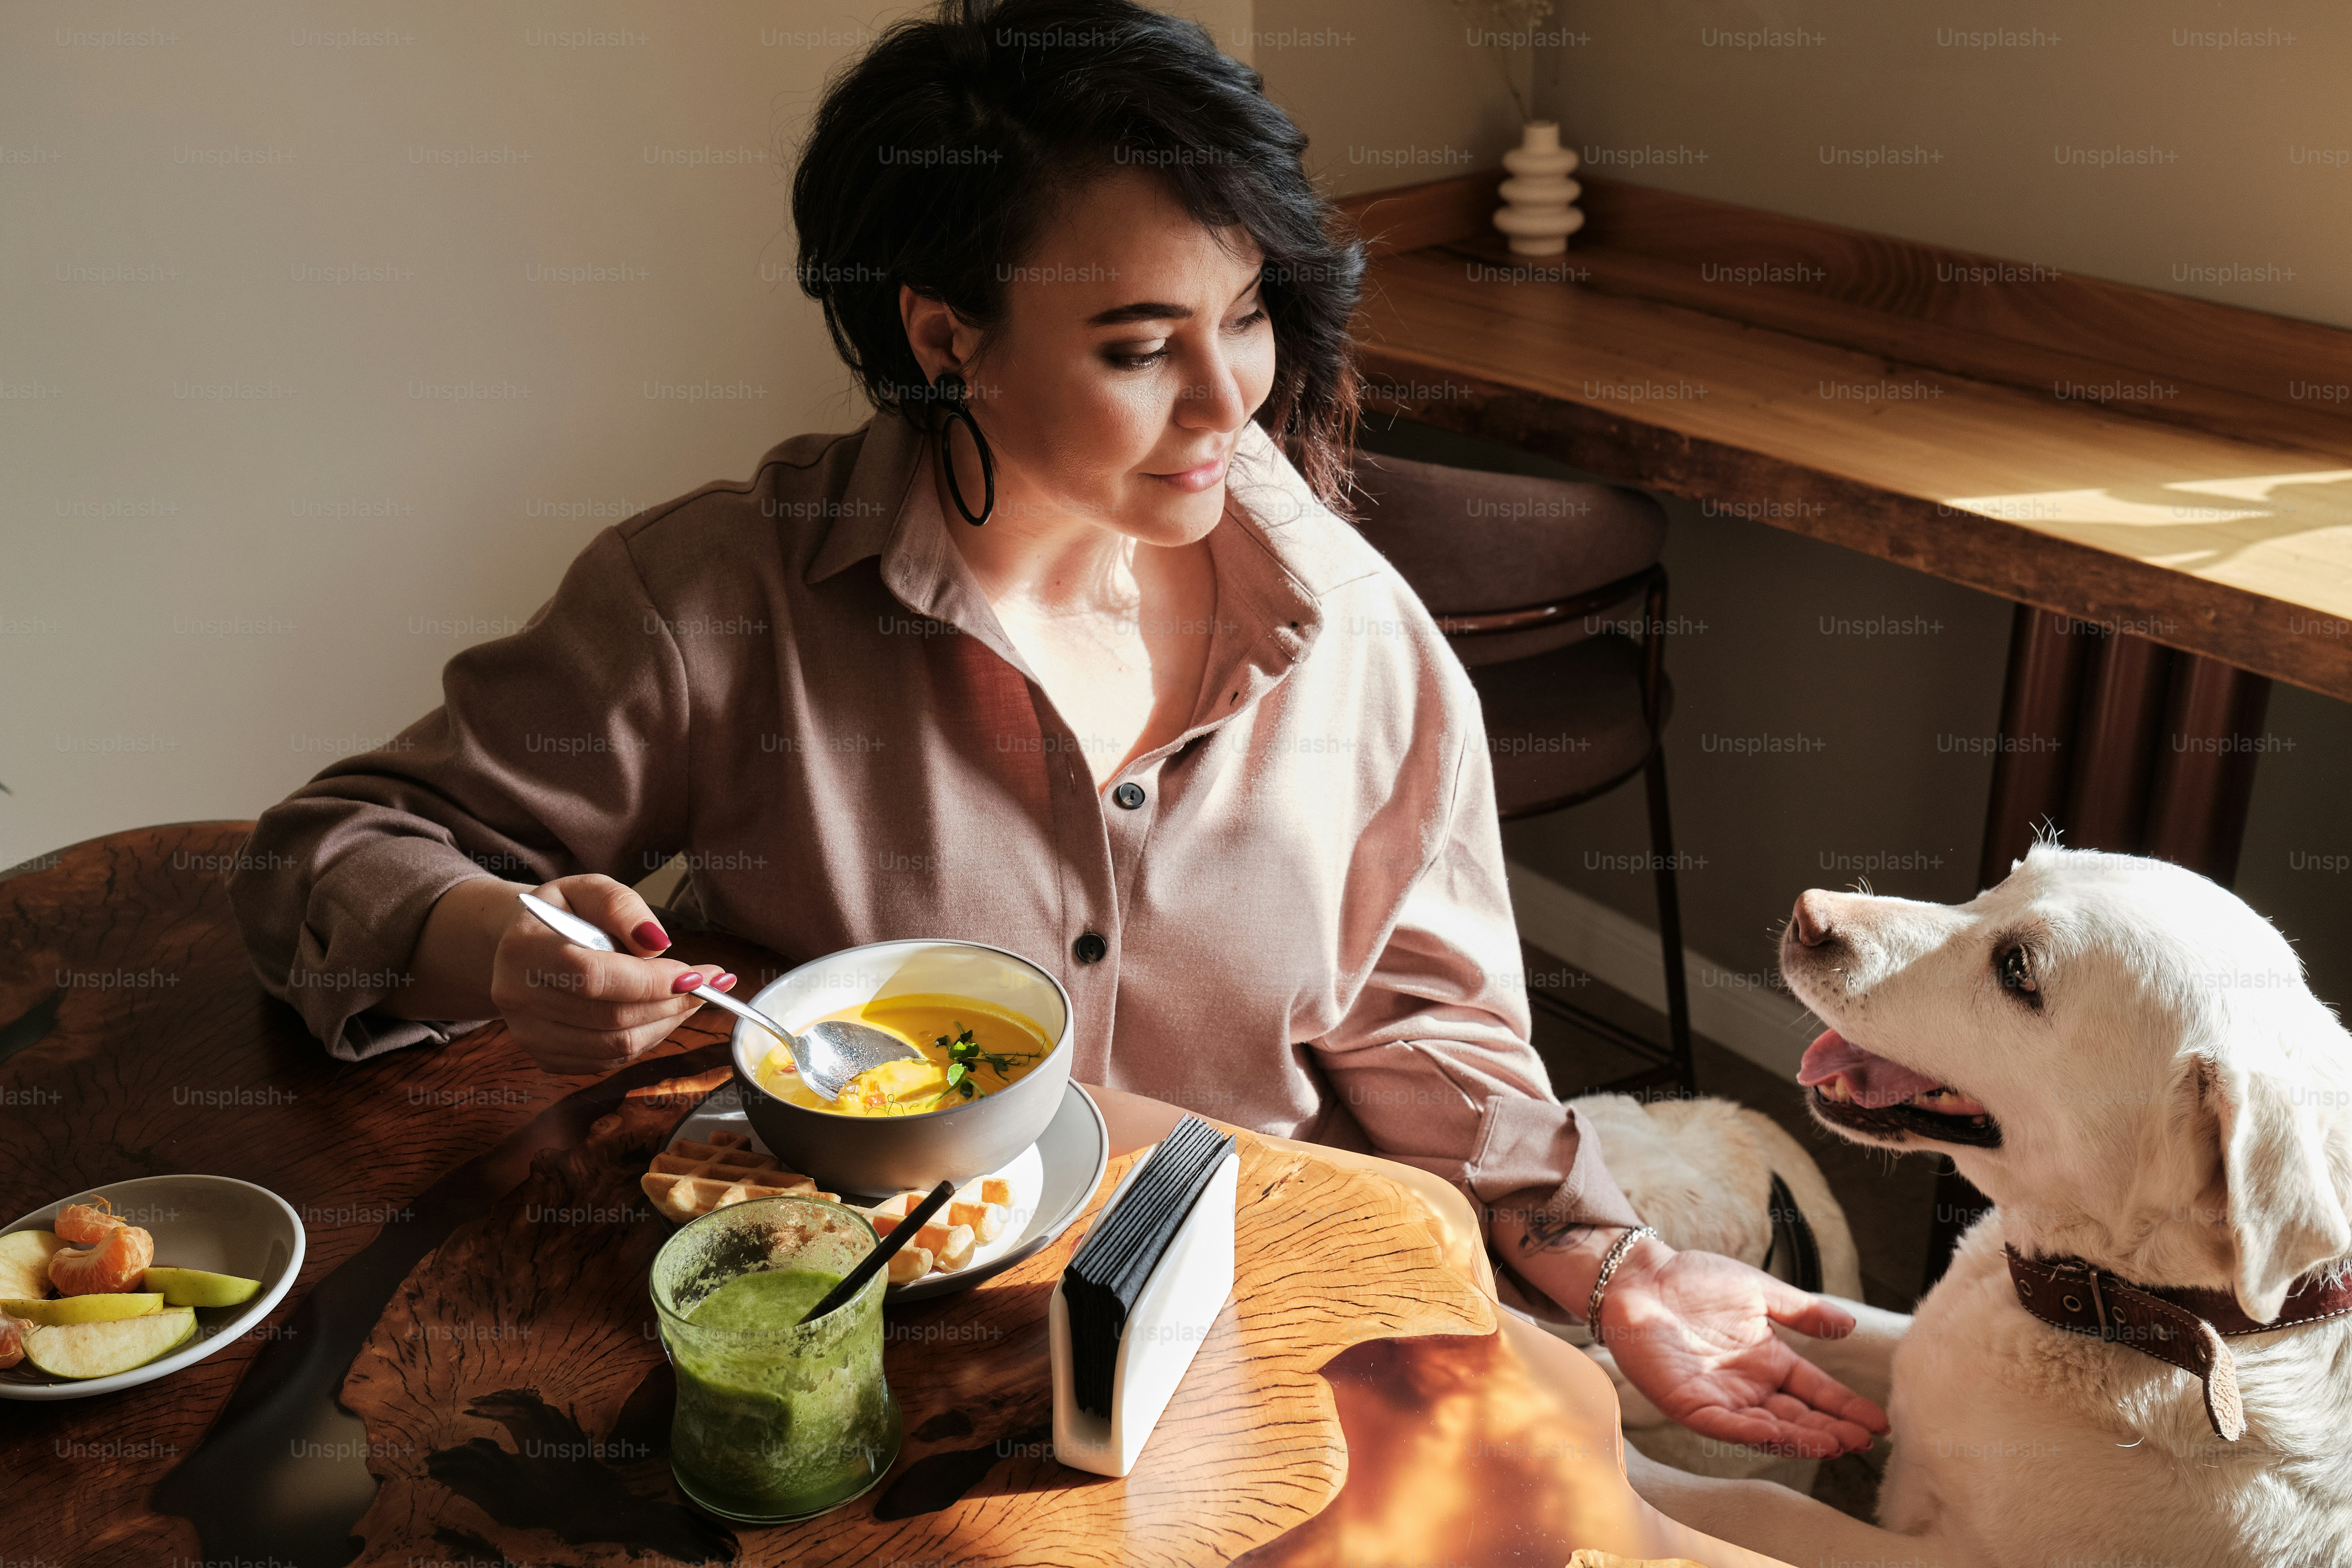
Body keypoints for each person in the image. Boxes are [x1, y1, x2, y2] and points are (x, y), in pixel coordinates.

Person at [227, 0, 1886, 1461]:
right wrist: (501, 946)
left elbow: (1419, 1008)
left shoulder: (1344, 616)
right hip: (864, 1348)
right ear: (942, 335)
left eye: (1245, 313)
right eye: (1139, 344)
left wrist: (1606, 1259)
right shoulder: (718, 598)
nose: (1233, 400)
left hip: (1256, 1307)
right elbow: (332, 855)